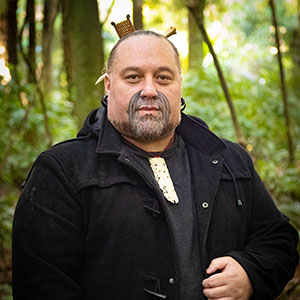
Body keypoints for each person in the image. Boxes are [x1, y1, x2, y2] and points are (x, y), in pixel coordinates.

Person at [12, 30, 299, 300]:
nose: (149, 90)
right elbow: (42, 286)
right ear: (109, 86)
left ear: (179, 85)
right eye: (134, 77)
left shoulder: (228, 159)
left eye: (163, 78)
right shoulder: (61, 172)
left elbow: (278, 240)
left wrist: (251, 273)